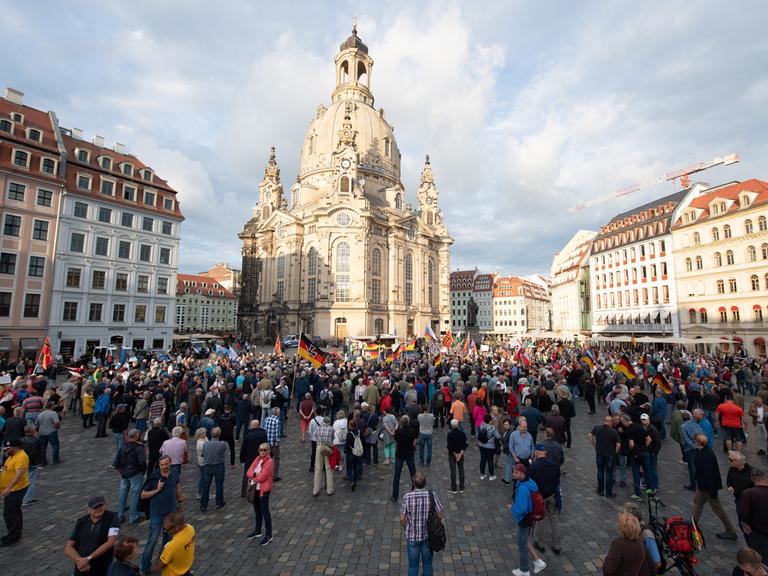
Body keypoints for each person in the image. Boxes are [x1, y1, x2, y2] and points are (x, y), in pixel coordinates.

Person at [140, 454, 184, 574]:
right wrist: (158, 489)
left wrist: (181, 502)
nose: (164, 466)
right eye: (162, 465)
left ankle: (162, 560)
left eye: (166, 464)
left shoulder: (174, 473)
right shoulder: (154, 477)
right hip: (157, 513)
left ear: (170, 463)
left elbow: (177, 488)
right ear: (159, 465)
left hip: (171, 512)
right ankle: (145, 567)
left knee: (168, 540)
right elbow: (143, 495)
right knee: (152, 541)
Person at [693, 432, 738, 540]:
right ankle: (693, 524)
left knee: (718, 509)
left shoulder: (705, 455)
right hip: (703, 486)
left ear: (699, 443)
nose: (694, 442)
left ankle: (730, 531)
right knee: (697, 501)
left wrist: (712, 490)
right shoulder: (703, 451)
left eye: (695, 441)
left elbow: (709, 474)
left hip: (708, 488)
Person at [64, 496, 120, 576]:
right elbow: (68, 547)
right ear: (89, 510)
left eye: (101, 505)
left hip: (102, 566)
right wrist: (80, 561)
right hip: (82, 567)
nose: (99, 509)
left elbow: (110, 542)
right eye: (95, 507)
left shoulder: (112, 518)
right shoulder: (81, 522)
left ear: (105, 505)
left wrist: (88, 558)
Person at [400, 472, 443, 576]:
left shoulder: (407, 497)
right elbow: (440, 515)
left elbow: (402, 519)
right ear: (425, 483)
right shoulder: (432, 495)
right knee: (427, 564)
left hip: (412, 537)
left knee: (413, 566)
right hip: (428, 537)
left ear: (413, 483)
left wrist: (406, 527)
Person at [510, 463, 546, 576]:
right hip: (530, 517)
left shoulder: (523, 488)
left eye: (516, 473)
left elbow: (522, 509)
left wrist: (512, 508)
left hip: (524, 519)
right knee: (524, 540)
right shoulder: (530, 482)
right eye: (513, 472)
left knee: (521, 544)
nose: (513, 474)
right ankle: (537, 561)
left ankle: (524, 570)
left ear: (522, 474)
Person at [529, 443, 562, 556]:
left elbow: (530, 482)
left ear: (536, 453)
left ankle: (541, 544)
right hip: (552, 495)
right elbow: (557, 478)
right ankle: (557, 546)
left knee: (540, 520)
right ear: (545, 453)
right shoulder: (554, 465)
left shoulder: (534, 466)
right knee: (554, 519)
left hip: (540, 497)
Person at [602, 511, 655, 576]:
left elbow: (607, 570)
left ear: (622, 528)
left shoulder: (618, 544)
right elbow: (652, 568)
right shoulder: (641, 544)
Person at [0, 437, 29, 546]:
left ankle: (13, 536)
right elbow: (5, 468)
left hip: (15, 490)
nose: (5, 450)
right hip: (11, 489)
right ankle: (16, 531)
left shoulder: (21, 457)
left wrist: (8, 488)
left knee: (9, 513)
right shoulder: (11, 456)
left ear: (15, 447)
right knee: (15, 511)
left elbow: (19, 474)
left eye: (7, 448)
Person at [115, 429, 147, 524]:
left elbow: (117, 459)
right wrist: (143, 471)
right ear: (137, 436)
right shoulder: (139, 448)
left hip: (124, 473)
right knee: (135, 494)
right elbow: (142, 462)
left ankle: (120, 514)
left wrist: (119, 469)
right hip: (135, 473)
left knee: (123, 492)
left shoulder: (123, 446)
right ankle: (134, 516)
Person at [246, 442, 274, 546]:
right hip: (255, 489)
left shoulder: (269, 461)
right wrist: (255, 474)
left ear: (268, 451)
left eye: (264, 450)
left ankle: (269, 535)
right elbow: (248, 472)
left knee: (265, 512)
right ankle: (258, 530)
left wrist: (253, 478)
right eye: (260, 449)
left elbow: (263, 476)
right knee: (257, 510)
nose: (262, 451)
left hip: (263, 490)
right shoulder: (257, 459)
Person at [738, 468, 768, 561]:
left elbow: (743, 514)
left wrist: (743, 523)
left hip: (755, 531)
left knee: (759, 555)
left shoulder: (748, 493)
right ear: (765, 478)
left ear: (752, 479)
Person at [152, 511, 194, 576]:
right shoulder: (190, 529)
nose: (165, 531)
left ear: (177, 527)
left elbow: (160, 565)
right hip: (186, 570)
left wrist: (153, 570)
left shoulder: (172, 545)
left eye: (167, 529)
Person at [589, 415, 621, 497]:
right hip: (610, 455)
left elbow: (590, 435)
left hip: (600, 453)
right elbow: (618, 445)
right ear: (610, 422)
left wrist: (594, 445)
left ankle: (600, 490)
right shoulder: (613, 431)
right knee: (609, 473)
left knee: (600, 471)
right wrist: (615, 453)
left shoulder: (597, 428)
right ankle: (608, 492)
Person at [392, 415, 418, 502]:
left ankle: (395, 496)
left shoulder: (398, 432)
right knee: (413, 474)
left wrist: (396, 427)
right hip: (409, 454)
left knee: (397, 476)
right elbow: (414, 441)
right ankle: (415, 492)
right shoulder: (412, 431)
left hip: (399, 454)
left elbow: (395, 438)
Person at [200, 427, 226, 511]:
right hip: (218, 466)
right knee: (219, 485)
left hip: (207, 466)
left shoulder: (205, 444)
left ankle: (203, 505)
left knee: (206, 486)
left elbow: (203, 454)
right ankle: (219, 502)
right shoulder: (222, 444)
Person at [239, 420, 267, 498]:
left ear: (251, 426)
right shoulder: (263, 434)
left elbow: (243, 449)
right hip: (260, 458)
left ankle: (243, 493)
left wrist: (242, 459)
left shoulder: (247, 436)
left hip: (249, 459)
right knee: (261, 474)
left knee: (246, 475)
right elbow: (266, 446)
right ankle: (260, 490)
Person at [20, 424, 43, 506]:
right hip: (32, 463)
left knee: (23, 480)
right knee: (30, 481)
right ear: (33, 431)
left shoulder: (21, 440)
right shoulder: (36, 440)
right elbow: (38, 452)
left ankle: (23, 498)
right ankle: (27, 499)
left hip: (22, 463)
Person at [312, 416, 335, 497]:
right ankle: (329, 490)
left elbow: (314, 437)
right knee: (328, 468)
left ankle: (315, 490)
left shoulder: (318, 428)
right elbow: (333, 438)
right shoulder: (331, 429)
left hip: (319, 447)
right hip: (327, 448)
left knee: (318, 468)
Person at [36, 400, 62, 466]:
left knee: (43, 447)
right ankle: (56, 459)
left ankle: (43, 461)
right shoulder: (53, 413)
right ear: (52, 406)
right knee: (55, 446)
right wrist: (57, 427)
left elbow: (37, 423)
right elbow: (57, 423)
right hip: (51, 431)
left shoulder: (40, 414)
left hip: (42, 432)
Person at [446, 419, 468, 494]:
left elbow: (449, 447)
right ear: (458, 425)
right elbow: (465, 444)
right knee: (461, 470)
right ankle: (461, 487)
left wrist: (455, 455)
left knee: (453, 471)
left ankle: (454, 488)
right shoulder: (462, 433)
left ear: (451, 426)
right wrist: (460, 454)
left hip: (452, 455)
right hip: (460, 454)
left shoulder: (450, 434)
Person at [477, 413, 501, 480]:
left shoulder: (482, 424)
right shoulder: (492, 428)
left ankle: (482, 475)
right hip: (490, 447)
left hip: (481, 445)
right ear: (489, 421)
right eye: (491, 420)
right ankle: (491, 475)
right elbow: (498, 436)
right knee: (490, 461)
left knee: (482, 460)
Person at [263, 408, 282, 481]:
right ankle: (274, 476)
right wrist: (277, 441)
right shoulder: (277, 420)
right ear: (277, 413)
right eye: (279, 412)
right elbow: (277, 433)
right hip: (274, 443)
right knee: (276, 459)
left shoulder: (266, 419)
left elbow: (264, 429)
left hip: (267, 442)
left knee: (267, 459)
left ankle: (266, 474)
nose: (279, 413)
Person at [345, 419, 364, 490]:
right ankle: (355, 480)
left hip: (350, 452)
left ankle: (352, 480)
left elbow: (347, 444)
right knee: (355, 467)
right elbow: (362, 439)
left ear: (350, 426)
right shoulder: (358, 431)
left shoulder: (349, 434)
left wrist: (345, 450)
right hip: (357, 452)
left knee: (349, 467)